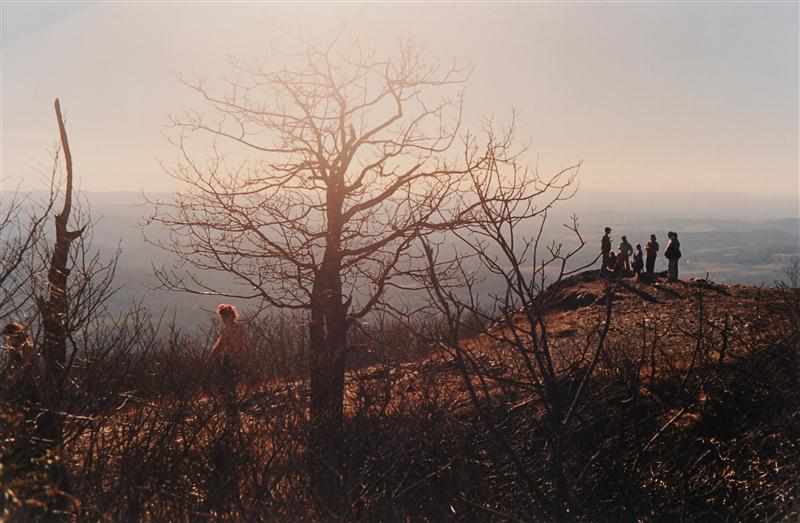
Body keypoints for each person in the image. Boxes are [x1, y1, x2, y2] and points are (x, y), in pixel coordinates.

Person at [209, 304, 249, 414]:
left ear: (230, 316)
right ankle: (231, 406)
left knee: (228, 384)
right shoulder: (235, 328)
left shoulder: (232, 329)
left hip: (232, 360)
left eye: (224, 316)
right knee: (229, 385)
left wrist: (213, 354)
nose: (223, 319)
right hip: (233, 359)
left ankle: (231, 408)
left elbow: (220, 345)